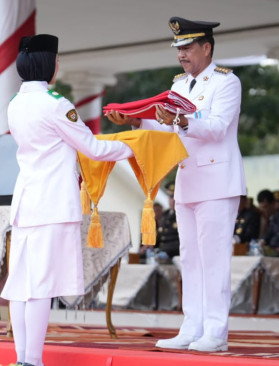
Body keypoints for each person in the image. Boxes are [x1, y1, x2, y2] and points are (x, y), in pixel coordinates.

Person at [106, 17, 246, 352]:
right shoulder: (179, 86)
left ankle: (216, 332)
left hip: (217, 181)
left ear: (206, 47)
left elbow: (217, 127)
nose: (181, 54)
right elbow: (167, 133)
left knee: (213, 259)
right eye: (178, 49)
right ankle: (191, 326)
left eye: (187, 47)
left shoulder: (227, 83)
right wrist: (135, 119)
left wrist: (181, 119)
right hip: (188, 180)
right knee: (190, 258)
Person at [0, 34, 133, 366]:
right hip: (52, 203)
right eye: (57, 60)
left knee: (22, 285)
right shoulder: (56, 104)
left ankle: (22, 358)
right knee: (41, 285)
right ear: (50, 64)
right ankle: (32, 360)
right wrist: (135, 145)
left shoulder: (14, 104)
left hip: (27, 201)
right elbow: (94, 149)